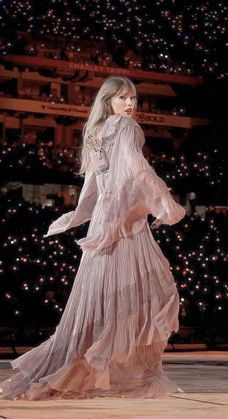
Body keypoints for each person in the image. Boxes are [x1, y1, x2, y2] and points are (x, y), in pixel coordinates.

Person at [0, 76, 186, 400]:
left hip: (104, 221)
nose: (129, 104)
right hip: (124, 223)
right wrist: (165, 203)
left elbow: (93, 186)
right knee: (153, 290)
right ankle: (118, 371)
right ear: (108, 100)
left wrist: (79, 216)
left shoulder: (96, 131)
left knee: (102, 297)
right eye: (122, 98)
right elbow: (137, 169)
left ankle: (94, 368)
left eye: (133, 98)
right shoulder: (126, 128)